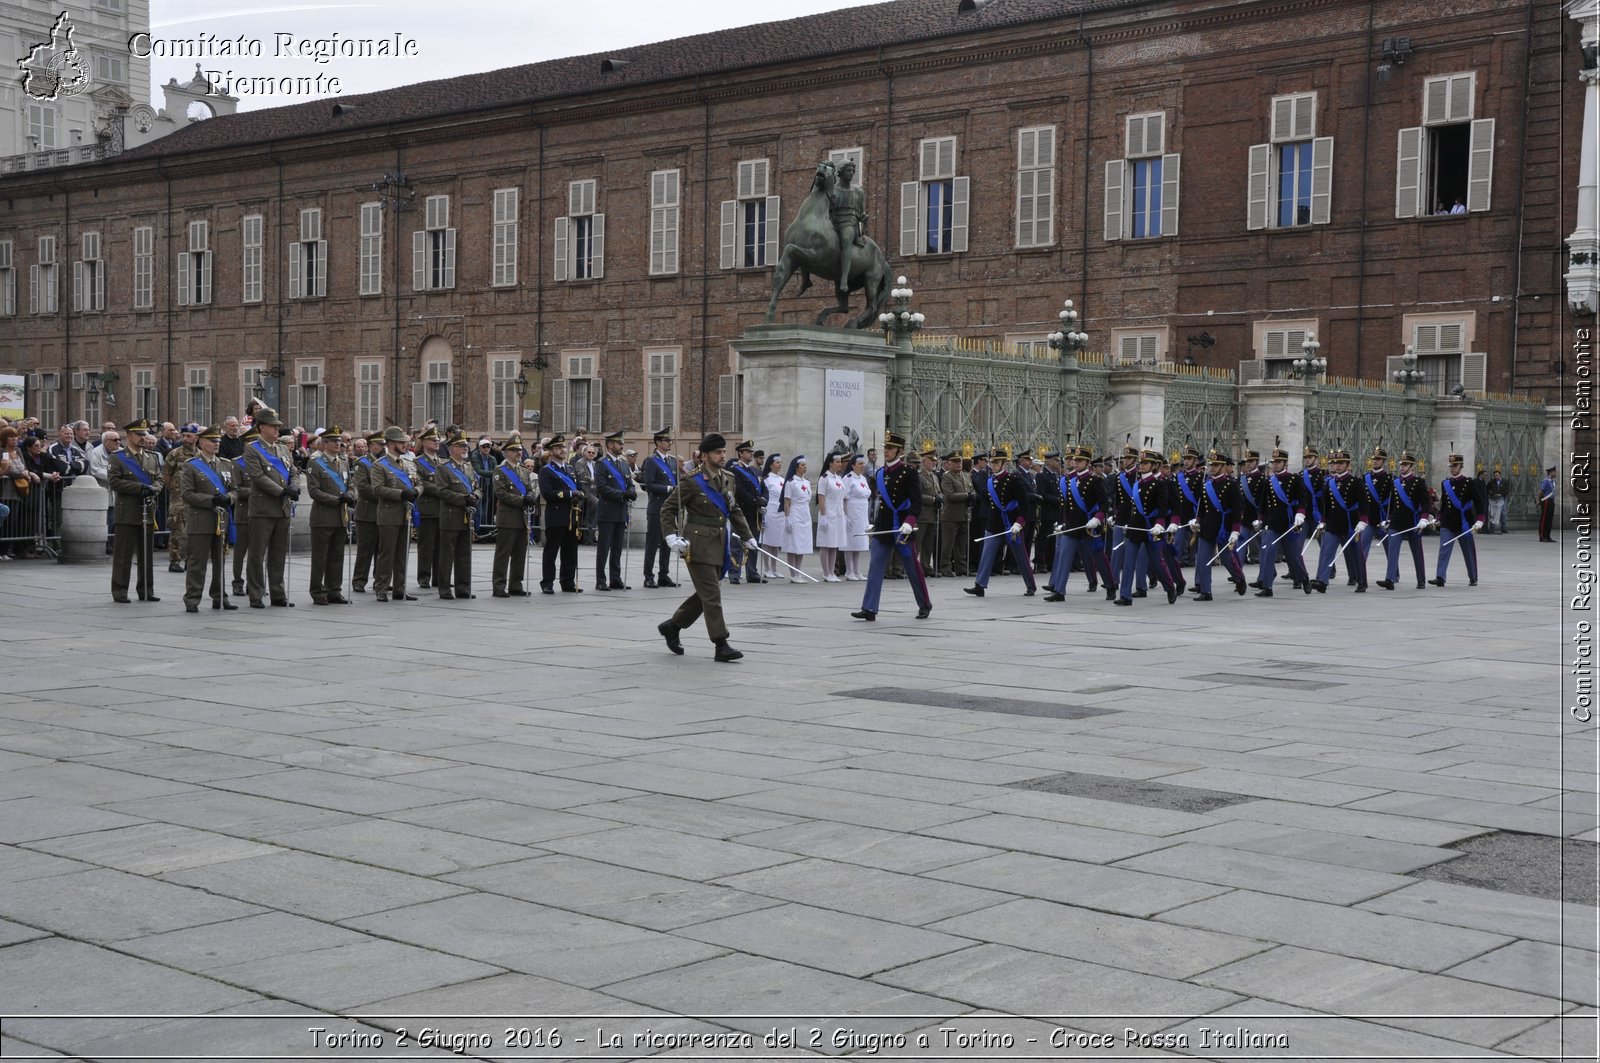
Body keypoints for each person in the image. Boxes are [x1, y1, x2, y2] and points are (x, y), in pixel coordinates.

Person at [657, 433, 758, 662]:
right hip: (698, 545)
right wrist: (671, 537)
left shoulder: (728, 477)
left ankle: (672, 626)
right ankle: (721, 644)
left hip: (720, 544)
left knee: (707, 594)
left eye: (724, 452)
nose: (723, 456)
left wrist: (747, 536)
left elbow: (734, 510)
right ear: (704, 455)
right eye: (718, 452)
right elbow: (667, 509)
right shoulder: (692, 481)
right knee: (712, 594)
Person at [851, 431, 932, 621]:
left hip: (903, 528)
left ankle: (924, 603)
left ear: (900, 451)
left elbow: (916, 502)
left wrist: (910, 523)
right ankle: (869, 608)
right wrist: (875, 524)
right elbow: (881, 502)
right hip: (885, 527)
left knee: (912, 567)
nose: (886, 451)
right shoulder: (880, 473)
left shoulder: (909, 473)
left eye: (890, 448)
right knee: (875, 566)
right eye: (885, 448)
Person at [176, 424, 239, 613]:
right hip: (201, 519)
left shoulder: (226, 464)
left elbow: (235, 490)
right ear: (201, 442)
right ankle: (192, 598)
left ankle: (220, 596)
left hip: (221, 520)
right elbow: (187, 494)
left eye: (218, 440)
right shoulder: (192, 466)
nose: (217, 444)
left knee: (220, 562)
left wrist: (228, 498)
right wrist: (211, 500)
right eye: (213, 441)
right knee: (197, 562)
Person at [243, 408, 300, 608]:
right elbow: (258, 477)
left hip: (282, 509)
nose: (277, 429)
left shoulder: (283, 449)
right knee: (257, 554)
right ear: (261, 428)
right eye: (273, 426)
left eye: (278, 426)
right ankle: (256, 594)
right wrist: (281, 491)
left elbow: (293, 470)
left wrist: (294, 486)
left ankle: (278, 593)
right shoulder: (252, 449)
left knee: (278, 553)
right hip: (263, 509)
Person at [1044, 445, 1114, 601]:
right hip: (1073, 526)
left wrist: (1097, 518)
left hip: (1089, 527)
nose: (1076, 463)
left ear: (1087, 462)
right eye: (1075, 460)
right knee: (1064, 558)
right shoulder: (1070, 479)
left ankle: (1110, 585)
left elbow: (1104, 504)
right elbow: (1067, 505)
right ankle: (1059, 591)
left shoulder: (1095, 480)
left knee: (1099, 558)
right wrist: (1062, 522)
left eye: (1080, 461)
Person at [964, 448, 1036, 598]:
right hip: (994, 524)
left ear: (1004, 463)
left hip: (1011, 525)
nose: (993, 465)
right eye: (991, 462)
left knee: (1021, 557)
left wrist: (1019, 522)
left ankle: (1030, 585)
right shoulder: (990, 481)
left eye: (996, 462)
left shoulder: (1014, 480)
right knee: (986, 555)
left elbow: (1024, 504)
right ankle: (979, 585)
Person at [107, 419, 162, 602]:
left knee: (147, 554)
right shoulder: (118, 457)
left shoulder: (152, 457)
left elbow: (160, 480)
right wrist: (140, 488)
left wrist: (154, 489)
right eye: (139, 434)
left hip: (147, 510)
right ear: (129, 436)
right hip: (127, 511)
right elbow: (115, 482)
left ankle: (147, 589)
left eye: (144, 434)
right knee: (123, 554)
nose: (142, 438)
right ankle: (120, 590)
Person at [1187, 448, 1246, 601]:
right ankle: (1206, 592)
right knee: (1203, 560)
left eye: (1215, 465)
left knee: (1226, 559)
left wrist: (1235, 530)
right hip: (1207, 527)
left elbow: (1237, 509)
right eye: (1211, 465)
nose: (1212, 467)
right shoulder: (1206, 484)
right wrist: (1197, 521)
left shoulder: (1231, 484)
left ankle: (1239, 577)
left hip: (1223, 527)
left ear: (1222, 466)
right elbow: (1201, 507)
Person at [370, 425, 420, 603]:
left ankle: (400, 588)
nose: (405, 445)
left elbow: (419, 482)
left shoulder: (408, 463)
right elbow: (377, 489)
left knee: (402, 554)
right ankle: (381, 588)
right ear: (391, 444)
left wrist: (416, 491)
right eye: (401, 442)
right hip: (389, 514)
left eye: (405, 442)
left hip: (406, 514)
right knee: (387, 553)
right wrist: (400, 494)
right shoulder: (380, 465)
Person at [305, 426, 354, 606]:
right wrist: (337, 500)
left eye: (339, 441)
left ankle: (334, 590)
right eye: (334, 441)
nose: (338, 444)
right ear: (324, 444)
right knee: (320, 557)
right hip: (323, 516)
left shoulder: (343, 462)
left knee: (336, 556)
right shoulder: (315, 463)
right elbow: (314, 491)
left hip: (341, 516)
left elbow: (350, 484)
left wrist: (350, 495)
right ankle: (318, 591)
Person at [1310, 448, 1370, 593]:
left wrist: (1363, 520)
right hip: (1333, 523)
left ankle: (1361, 581)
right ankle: (1322, 581)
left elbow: (1364, 502)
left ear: (1348, 464)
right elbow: (1326, 504)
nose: (1337, 465)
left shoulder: (1356, 482)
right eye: (1335, 463)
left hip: (1351, 523)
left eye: (1341, 463)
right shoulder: (1329, 483)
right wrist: (1323, 520)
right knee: (1326, 552)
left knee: (1356, 553)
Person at [1253, 447, 1311, 597]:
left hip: (1290, 523)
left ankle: (1303, 578)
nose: (1275, 465)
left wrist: (1300, 514)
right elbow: (1263, 503)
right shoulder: (1269, 481)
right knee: (1267, 552)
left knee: (1294, 556)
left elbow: (1303, 499)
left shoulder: (1294, 479)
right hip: (1272, 523)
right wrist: (1260, 519)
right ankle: (1267, 587)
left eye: (1278, 462)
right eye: (1274, 462)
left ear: (1285, 463)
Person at [433, 430, 479, 600]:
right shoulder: (443, 468)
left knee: (464, 555)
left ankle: (463, 588)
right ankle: (444, 589)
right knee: (447, 555)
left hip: (466, 516)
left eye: (466, 445)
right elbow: (441, 491)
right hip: (451, 516)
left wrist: (475, 497)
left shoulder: (468, 467)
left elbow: (478, 487)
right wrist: (463, 499)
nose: (465, 448)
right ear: (452, 448)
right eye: (462, 446)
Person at [1378, 451, 1432, 591]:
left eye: (1405, 464)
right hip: (1396, 521)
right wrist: (1387, 519)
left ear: (1412, 466)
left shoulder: (1419, 482)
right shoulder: (1395, 482)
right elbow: (1392, 503)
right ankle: (1389, 579)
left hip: (1412, 521)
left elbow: (1426, 502)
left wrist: (1424, 518)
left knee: (1417, 552)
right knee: (1392, 550)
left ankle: (1421, 580)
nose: (1402, 467)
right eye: (1401, 464)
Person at [1432, 452, 1487, 587]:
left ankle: (1473, 576)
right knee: (1444, 549)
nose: (1452, 468)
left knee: (1468, 551)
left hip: (1464, 522)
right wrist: (1438, 518)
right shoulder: (1446, 483)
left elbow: (1479, 502)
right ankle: (1440, 577)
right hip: (1448, 521)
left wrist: (1480, 520)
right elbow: (1444, 504)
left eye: (1455, 466)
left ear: (1461, 466)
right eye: (1451, 465)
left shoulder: (1469, 482)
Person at [538, 434, 582, 593]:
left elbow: (579, 488)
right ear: (550, 451)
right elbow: (548, 493)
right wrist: (570, 494)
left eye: (563, 447)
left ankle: (568, 581)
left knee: (570, 551)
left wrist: (579, 496)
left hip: (572, 515)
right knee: (551, 551)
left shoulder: (570, 468)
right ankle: (547, 582)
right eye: (558, 448)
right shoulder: (546, 470)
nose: (562, 450)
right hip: (556, 515)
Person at [491, 436, 534, 597]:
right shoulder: (500, 471)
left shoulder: (523, 470)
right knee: (503, 554)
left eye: (520, 450)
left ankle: (516, 584)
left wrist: (530, 496)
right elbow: (501, 493)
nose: (519, 453)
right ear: (507, 452)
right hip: (508, 518)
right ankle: (499, 585)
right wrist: (523, 500)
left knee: (519, 554)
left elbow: (530, 487)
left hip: (522, 518)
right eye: (515, 450)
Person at [594, 429, 637, 591]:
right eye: (619, 443)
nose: (622, 446)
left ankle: (615, 578)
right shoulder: (601, 463)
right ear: (610, 445)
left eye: (622, 443)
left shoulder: (624, 464)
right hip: (607, 510)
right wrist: (622, 494)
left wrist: (631, 492)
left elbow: (630, 483)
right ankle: (600, 580)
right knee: (604, 548)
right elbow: (602, 487)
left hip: (621, 511)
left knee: (617, 547)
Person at [638, 428, 680, 589]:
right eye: (667, 441)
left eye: (670, 441)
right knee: (652, 543)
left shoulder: (671, 461)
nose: (670, 443)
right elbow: (649, 485)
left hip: (670, 508)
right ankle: (648, 576)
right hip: (657, 507)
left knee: (667, 542)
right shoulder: (651, 461)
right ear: (658, 443)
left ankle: (664, 574)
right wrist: (669, 489)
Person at [828, 159, 867, 302]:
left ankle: (844, 279)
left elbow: (862, 215)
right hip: (832, 220)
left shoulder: (858, 192)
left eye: (853, 171)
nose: (851, 173)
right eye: (848, 171)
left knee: (846, 240)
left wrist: (862, 232)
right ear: (840, 172)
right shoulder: (832, 190)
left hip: (849, 222)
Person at [728, 440, 767, 584]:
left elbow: (764, 488)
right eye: (748, 452)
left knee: (754, 543)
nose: (751, 453)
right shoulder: (734, 470)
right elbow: (739, 490)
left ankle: (752, 573)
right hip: (741, 511)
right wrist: (754, 500)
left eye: (752, 452)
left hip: (754, 513)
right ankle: (734, 573)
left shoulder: (755, 471)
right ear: (741, 453)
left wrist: (763, 499)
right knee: (737, 543)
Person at [411, 426, 443, 589]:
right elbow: (421, 483)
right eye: (433, 440)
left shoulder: (442, 462)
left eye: (438, 440)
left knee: (441, 546)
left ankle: (439, 578)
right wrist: (443, 491)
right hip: (427, 508)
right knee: (426, 546)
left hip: (443, 509)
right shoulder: (418, 462)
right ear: (424, 442)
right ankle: (424, 577)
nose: (437, 442)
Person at [814, 453, 849, 582]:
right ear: (830, 463)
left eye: (840, 462)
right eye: (837, 462)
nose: (840, 464)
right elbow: (821, 498)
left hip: (838, 512)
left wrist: (844, 514)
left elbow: (843, 498)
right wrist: (823, 516)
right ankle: (826, 572)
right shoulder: (825, 478)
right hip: (828, 511)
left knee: (834, 543)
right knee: (826, 543)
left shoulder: (839, 478)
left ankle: (832, 572)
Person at [938, 451, 971, 578]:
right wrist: (967, 496)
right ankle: (945, 567)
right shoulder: (947, 476)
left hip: (964, 514)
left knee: (962, 544)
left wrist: (972, 496)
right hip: (950, 515)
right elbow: (949, 495)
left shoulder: (966, 476)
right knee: (948, 544)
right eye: (956, 462)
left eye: (960, 462)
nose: (959, 464)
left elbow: (971, 489)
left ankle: (961, 567)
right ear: (949, 463)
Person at [780, 455, 813, 581]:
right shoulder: (790, 482)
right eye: (802, 465)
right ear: (796, 467)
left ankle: (798, 572)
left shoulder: (807, 482)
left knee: (802, 545)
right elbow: (787, 501)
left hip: (805, 513)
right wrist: (787, 517)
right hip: (794, 513)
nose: (805, 467)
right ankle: (793, 574)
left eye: (805, 465)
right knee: (793, 545)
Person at [842, 454, 872, 580]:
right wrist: (845, 515)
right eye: (860, 464)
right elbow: (843, 498)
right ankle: (849, 571)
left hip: (862, 512)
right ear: (853, 465)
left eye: (863, 464)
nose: (862, 466)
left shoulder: (863, 479)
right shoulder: (848, 478)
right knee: (851, 541)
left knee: (860, 541)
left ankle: (857, 570)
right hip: (852, 511)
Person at [759, 454, 786, 580]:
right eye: (777, 462)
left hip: (779, 513)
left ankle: (774, 568)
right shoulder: (766, 479)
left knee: (776, 542)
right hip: (769, 511)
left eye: (780, 462)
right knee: (767, 542)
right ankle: (766, 568)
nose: (779, 464)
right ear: (770, 464)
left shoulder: (782, 480)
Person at [1485, 465, 1510, 533]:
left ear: (1500, 475)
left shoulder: (1505, 481)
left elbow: (1507, 490)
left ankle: (1503, 528)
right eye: (1495, 475)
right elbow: (1487, 489)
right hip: (1494, 499)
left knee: (1503, 513)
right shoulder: (1491, 482)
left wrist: (1502, 495)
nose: (1496, 477)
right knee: (1493, 513)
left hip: (1502, 499)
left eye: (1497, 475)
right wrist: (1492, 493)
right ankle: (1492, 528)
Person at [1539, 465, 1557, 541]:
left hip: (1551, 501)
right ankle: (1542, 536)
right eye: (1554, 472)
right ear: (1551, 472)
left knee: (1549, 519)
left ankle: (1548, 536)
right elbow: (1540, 492)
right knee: (1544, 519)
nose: (1556, 473)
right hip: (1546, 501)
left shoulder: (1552, 482)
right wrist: (1539, 500)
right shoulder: (1545, 481)